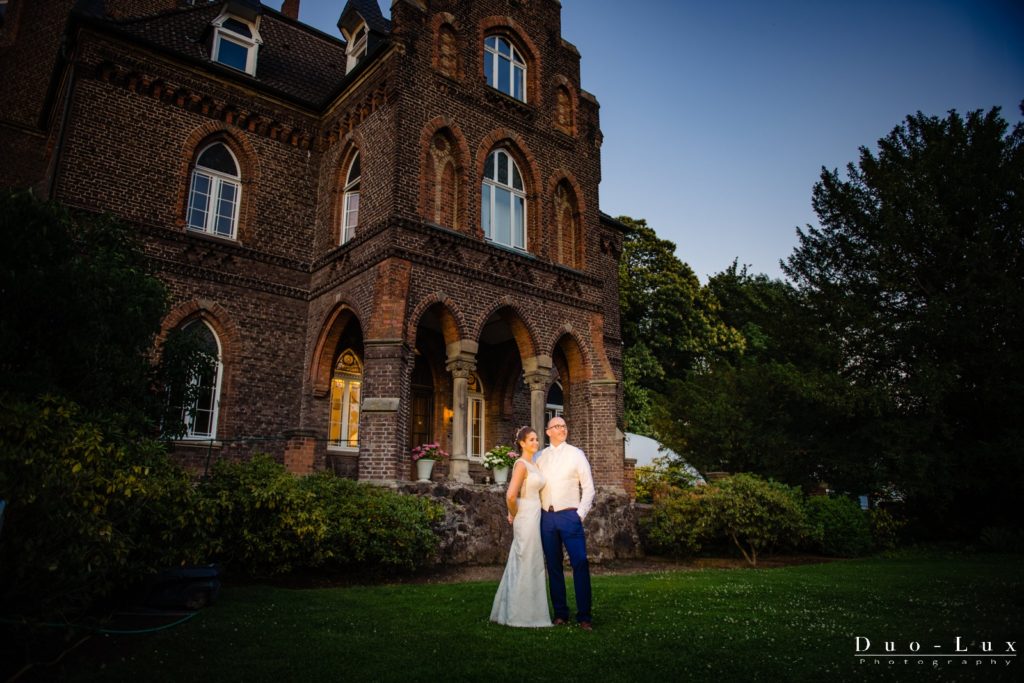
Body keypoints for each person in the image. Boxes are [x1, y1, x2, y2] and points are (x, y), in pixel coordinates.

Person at [489, 426, 552, 627]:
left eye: (536, 439)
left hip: (536, 514)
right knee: (524, 558)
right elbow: (510, 495)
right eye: (531, 440)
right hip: (525, 516)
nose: (535, 442)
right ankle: (517, 614)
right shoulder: (521, 465)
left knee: (533, 560)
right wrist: (514, 513)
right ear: (522, 443)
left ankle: (533, 612)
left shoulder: (535, 465)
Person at [536, 416, 595, 630]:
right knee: (553, 566)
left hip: (570, 516)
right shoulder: (539, 456)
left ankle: (584, 616)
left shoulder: (576, 454)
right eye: (557, 426)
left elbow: (589, 488)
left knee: (579, 562)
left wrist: (579, 514)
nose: (562, 429)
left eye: (564, 426)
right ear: (548, 431)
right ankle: (560, 613)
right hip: (547, 517)